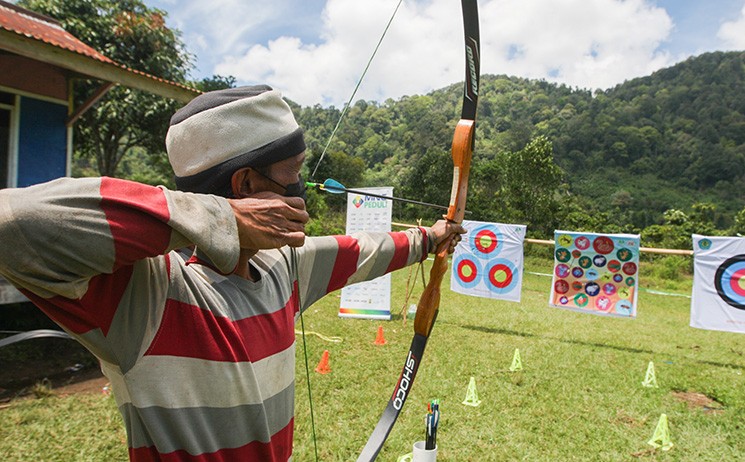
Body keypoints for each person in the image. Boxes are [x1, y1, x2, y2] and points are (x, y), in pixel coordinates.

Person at [0, 85, 464, 461]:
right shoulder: (146, 295)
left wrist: (432, 238)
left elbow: (365, 251)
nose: (303, 186)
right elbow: (13, 222)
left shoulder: (283, 265)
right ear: (246, 186)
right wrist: (223, 219)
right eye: (295, 171)